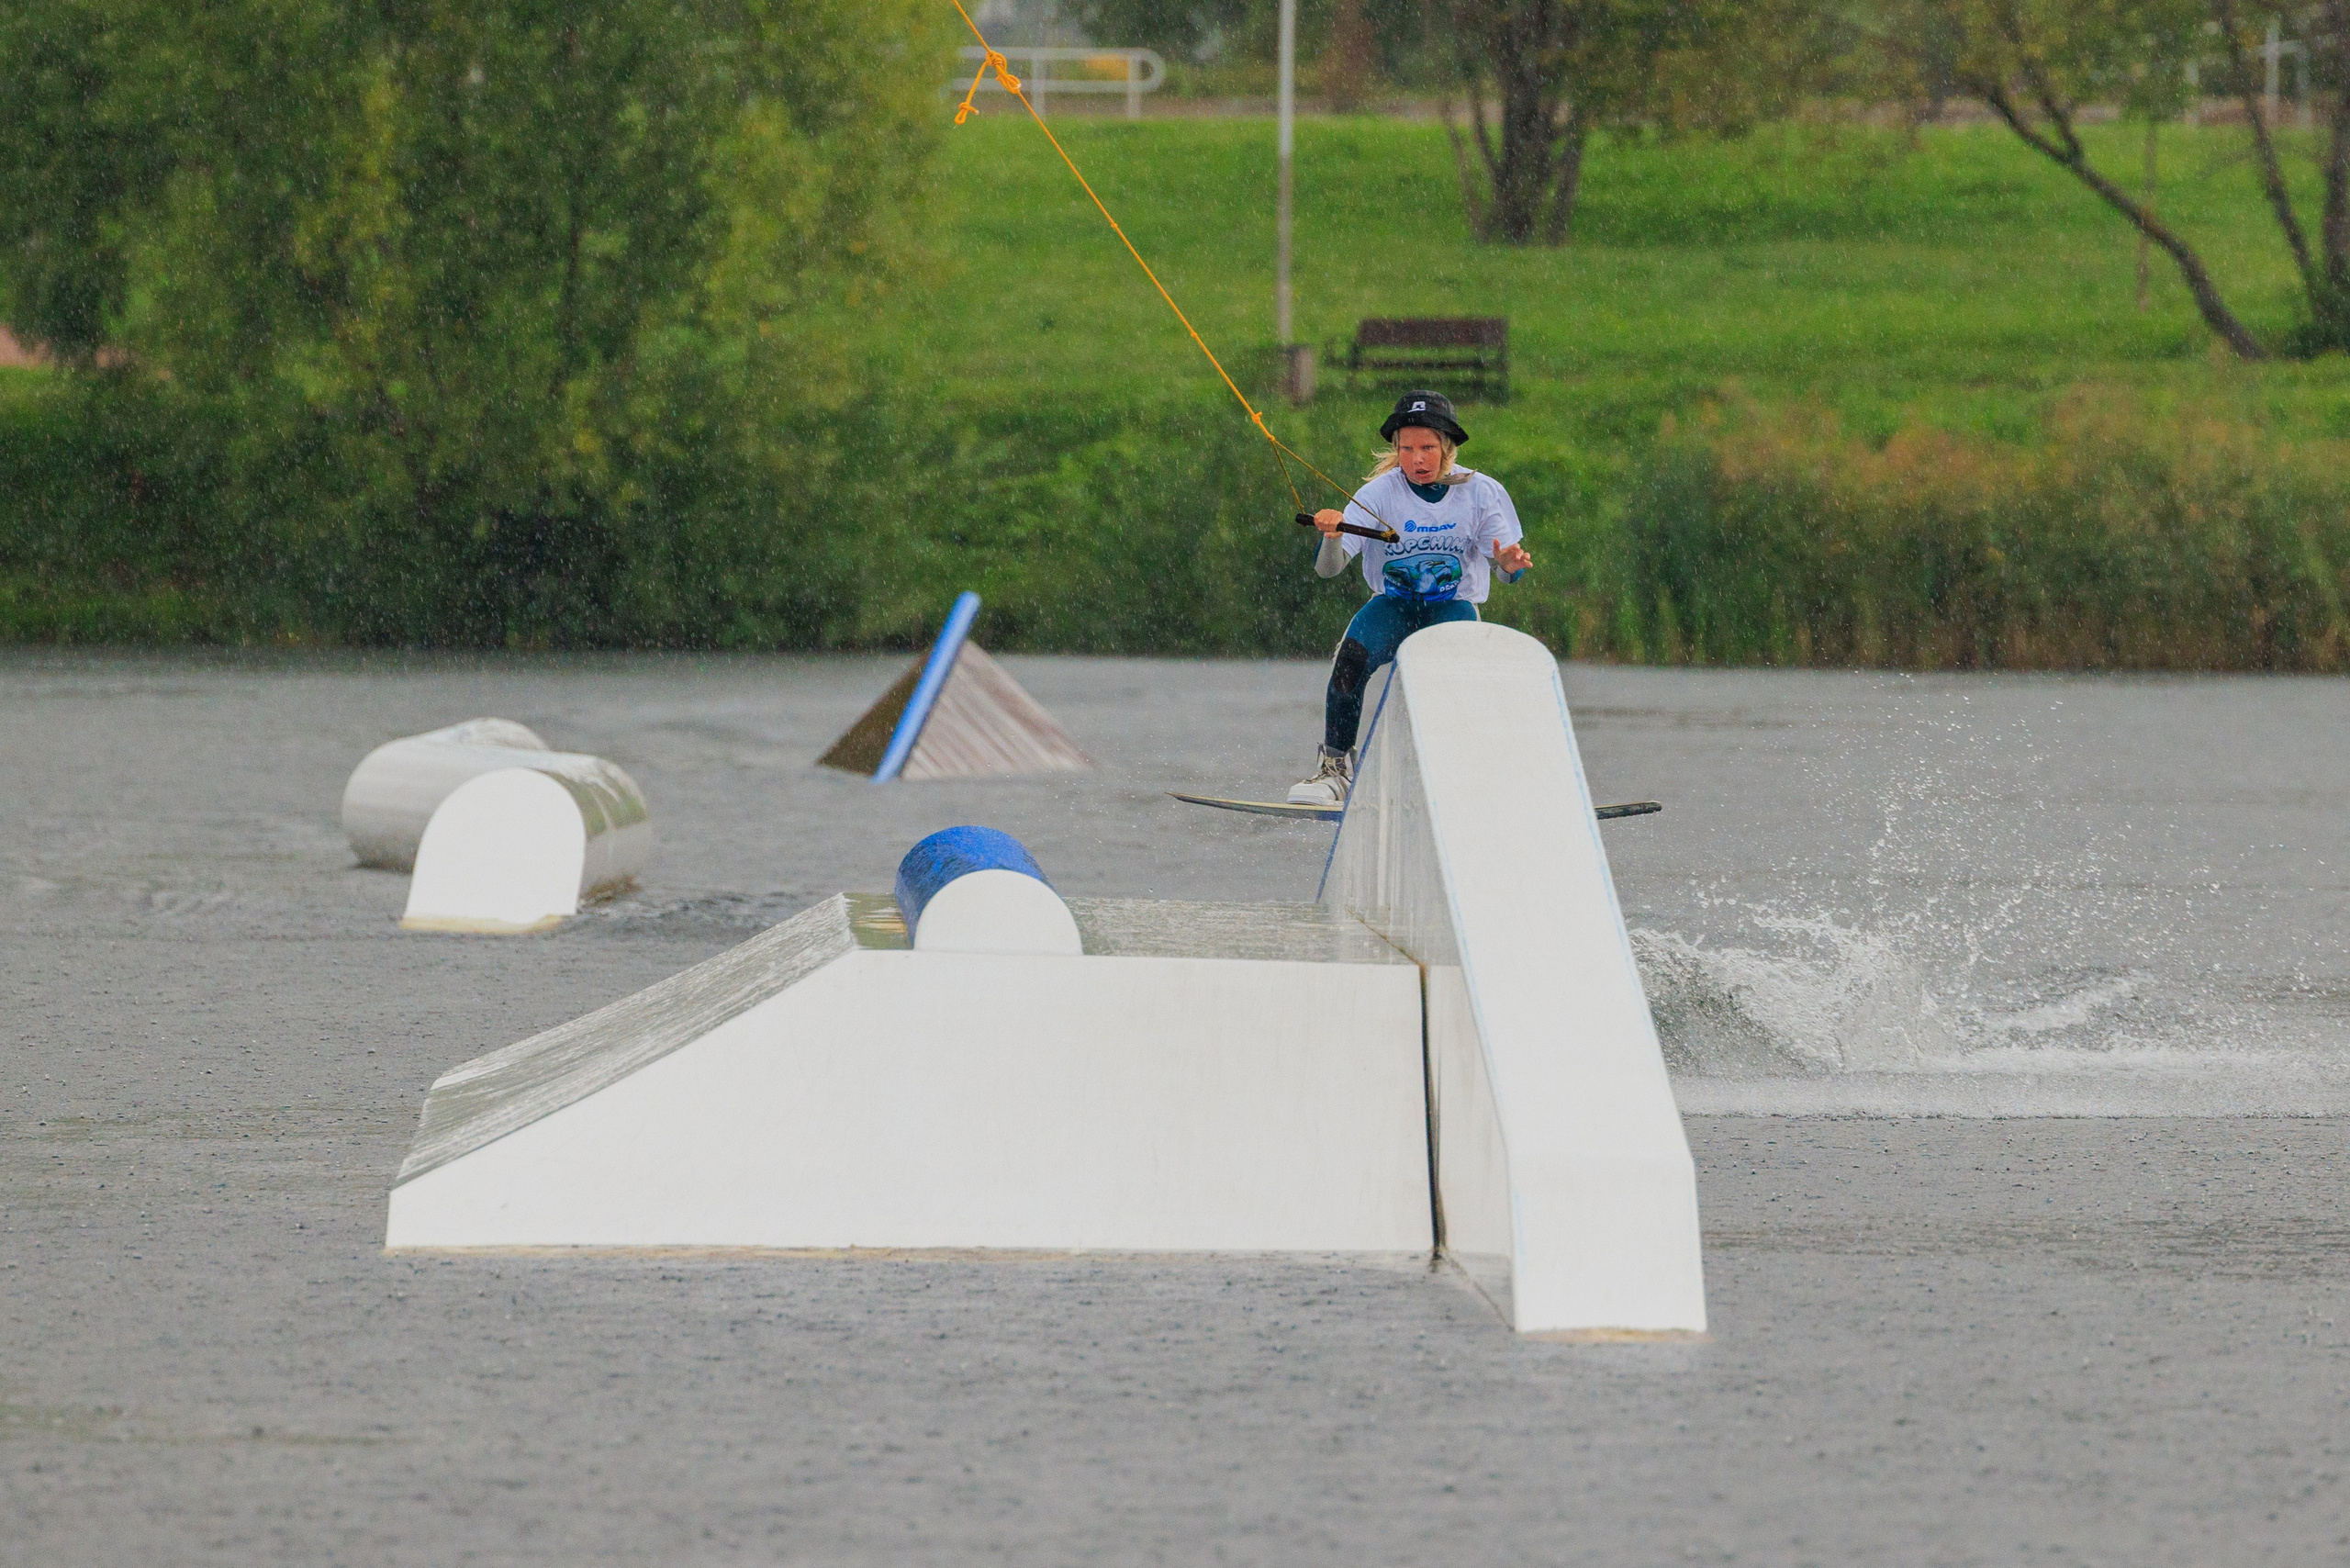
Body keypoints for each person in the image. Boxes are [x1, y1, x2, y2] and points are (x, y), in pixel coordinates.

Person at [1287, 390, 1533, 807]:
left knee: (1447, 682)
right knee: (1350, 662)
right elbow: (1328, 569)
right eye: (1406, 449)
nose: (1417, 459)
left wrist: (1509, 564)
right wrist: (1333, 535)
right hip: (1393, 607)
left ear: (1447, 448)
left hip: (1451, 606)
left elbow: (1511, 571)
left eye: (1427, 448)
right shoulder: (1378, 494)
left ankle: (1463, 775)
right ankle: (1334, 771)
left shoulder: (1481, 492)